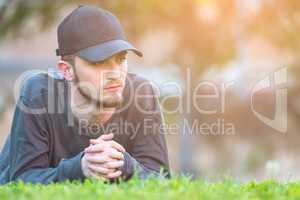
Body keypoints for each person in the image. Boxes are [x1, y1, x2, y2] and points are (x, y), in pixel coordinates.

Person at [0, 5, 170, 184]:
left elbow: (162, 181)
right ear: (67, 70)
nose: (115, 73)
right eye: (99, 62)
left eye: (121, 59)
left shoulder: (142, 94)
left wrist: (124, 165)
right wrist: (79, 168)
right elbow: (21, 180)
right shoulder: (39, 94)